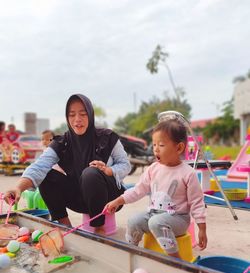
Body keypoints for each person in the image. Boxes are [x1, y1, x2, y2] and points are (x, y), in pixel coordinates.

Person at [5, 94, 131, 233]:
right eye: (72, 115)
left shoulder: (107, 138)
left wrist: (108, 170)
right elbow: (39, 166)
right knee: (46, 175)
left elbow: (125, 165)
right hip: (80, 198)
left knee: (91, 173)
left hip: (109, 198)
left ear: (90, 114)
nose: (77, 119)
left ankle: (99, 229)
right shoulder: (63, 142)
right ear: (67, 117)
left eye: (83, 114)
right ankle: (65, 226)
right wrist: (18, 188)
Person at [105, 118, 207, 258]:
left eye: (161, 145)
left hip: (178, 219)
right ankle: (131, 252)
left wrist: (202, 229)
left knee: (156, 222)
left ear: (179, 148)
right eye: (154, 145)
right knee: (134, 220)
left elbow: (197, 202)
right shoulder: (153, 169)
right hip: (154, 215)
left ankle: (175, 259)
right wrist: (118, 201)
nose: (156, 149)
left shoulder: (187, 173)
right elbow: (138, 190)